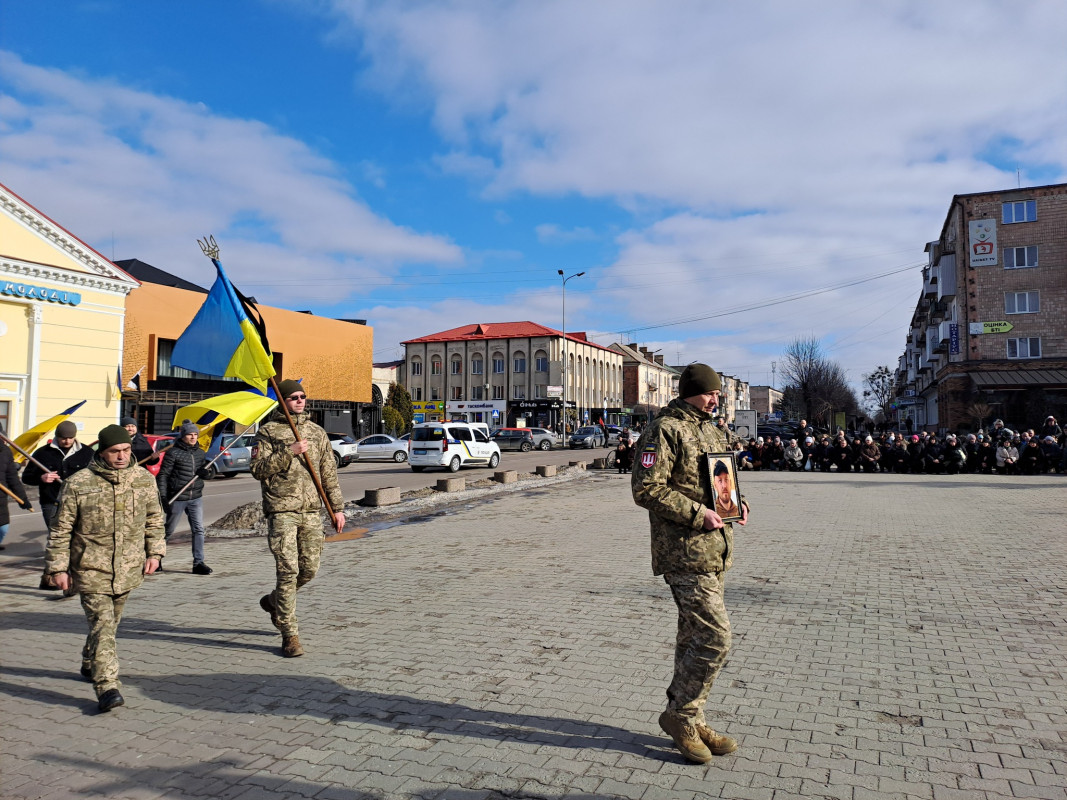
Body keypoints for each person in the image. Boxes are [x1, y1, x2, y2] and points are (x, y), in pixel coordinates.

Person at [631, 363, 747, 764]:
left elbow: (717, 481)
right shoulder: (665, 429)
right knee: (716, 638)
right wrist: (699, 515)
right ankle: (680, 716)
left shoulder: (711, 429)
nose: (716, 400)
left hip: (714, 550)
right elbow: (646, 488)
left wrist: (736, 503)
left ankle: (692, 718)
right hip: (683, 551)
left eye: (718, 394)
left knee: (692, 639)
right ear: (692, 391)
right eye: (711, 393)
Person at [44, 424, 165, 712]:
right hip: (90, 568)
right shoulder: (78, 483)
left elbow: (154, 520)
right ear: (102, 452)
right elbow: (61, 530)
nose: (121, 456)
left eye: (125, 450)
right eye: (114, 451)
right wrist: (58, 568)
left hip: (128, 567)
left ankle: (90, 660)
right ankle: (107, 686)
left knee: (109, 624)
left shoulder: (143, 480)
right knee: (103, 624)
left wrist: (155, 553)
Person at [251, 380, 345, 658]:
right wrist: (288, 452)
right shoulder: (268, 432)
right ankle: (289, 634)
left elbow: (328, 473)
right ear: (283, 401)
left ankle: (273, 601)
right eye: (293, 397)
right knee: (288, 570)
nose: (300, 400)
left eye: (302, 396)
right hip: (282, 510)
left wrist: (337, 509)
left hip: (311, 511)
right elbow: (257, 469)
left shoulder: (316, 432)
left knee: (309, 570)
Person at [22, 419, 95, 591]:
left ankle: (64, 575)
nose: (67, 441)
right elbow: (26, 477)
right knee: (57, 538)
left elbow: (97, 476)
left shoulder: (87, 453)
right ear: (57, 436)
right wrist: (41, 478)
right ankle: (53, 577)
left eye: (70, 438)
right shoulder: (43, 453)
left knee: (75, 539)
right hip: (51, 502)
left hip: (79, 502)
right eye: (63, 438)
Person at [156, 422, 214, 575]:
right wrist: (163, 496)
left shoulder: (200, 453)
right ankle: (155, 559)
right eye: (190, 434)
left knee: (198, 530)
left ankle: (198, 563)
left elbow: (206, 473)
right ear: (183, 436)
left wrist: (206, 473)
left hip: (195, 497)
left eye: (195, 434)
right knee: (168, 530)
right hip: (178, 497)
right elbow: (163, 475)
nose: (193, 437)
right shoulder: (173, 453)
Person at [1, 422, 33, 550]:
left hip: (1, 499)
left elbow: (12, 478)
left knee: (3, 527)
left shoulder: (5, 452)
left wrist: (23, 499)